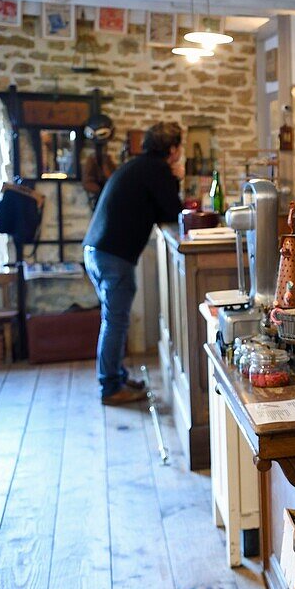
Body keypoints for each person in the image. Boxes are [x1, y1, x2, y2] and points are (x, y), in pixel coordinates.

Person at [84, 122, 185, 405]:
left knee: (114, 319)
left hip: (98, 249)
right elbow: (173, 211)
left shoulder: (137, 166)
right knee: (115, 321)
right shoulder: (158, 170)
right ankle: (110, 387)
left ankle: (115, 376)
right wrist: (177, 178)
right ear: (174, 149)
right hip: (112, 256)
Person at [81, 114, 117, 208]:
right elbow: (87, 182)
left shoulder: (107, 160)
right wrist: (101, 190)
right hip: (102, 197)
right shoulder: (92, 160)